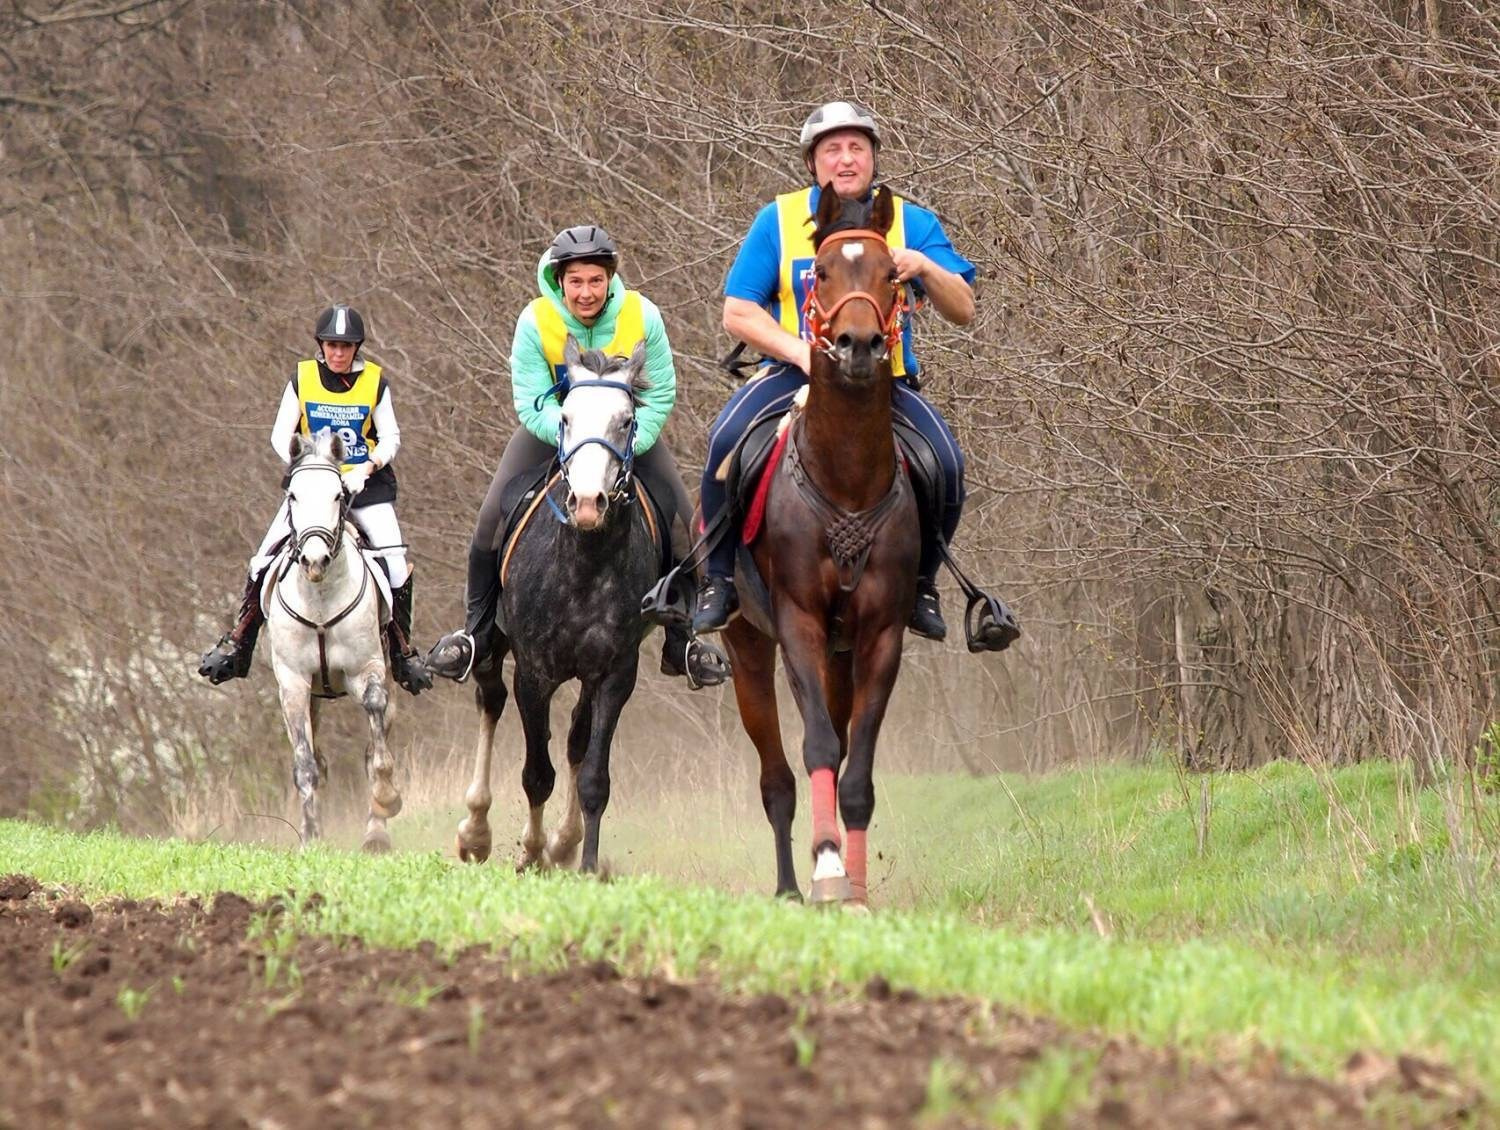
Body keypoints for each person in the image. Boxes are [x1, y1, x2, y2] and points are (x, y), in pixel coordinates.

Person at [692, 100, 980, 643]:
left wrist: (923, 266)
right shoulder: (778, 220)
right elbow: (738, 310)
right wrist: (800, 353)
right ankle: (719, 581)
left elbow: (963, 307)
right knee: (726, 440)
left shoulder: (910, 221)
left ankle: (922, 586)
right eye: (832, 150)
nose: (846, 160)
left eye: (856, 148)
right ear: (812, 162)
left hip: (883, 382)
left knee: (946, 461)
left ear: (873, 157)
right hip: (794, 375)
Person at [426, 225, 724, 686]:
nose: (586, 292)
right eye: (576, 281)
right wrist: (575, 440)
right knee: (490, 519)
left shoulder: (643, 315)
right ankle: (476, 635)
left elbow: (661, 393)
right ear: (559, 281)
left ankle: (682, 642)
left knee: (686, 524)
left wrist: (623, 443)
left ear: (610, 279)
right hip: (555, 433)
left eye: (596, 280)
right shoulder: (535, 320)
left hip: (624, 437)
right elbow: (530, 401)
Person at [198, 305, 432, 694]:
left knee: (393, 563)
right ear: (321, 345)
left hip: (364, 487)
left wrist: (366, 468)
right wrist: (305, 466)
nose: (338, 353)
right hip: (313, 489)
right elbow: (280, 434)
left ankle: (402, 652)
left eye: (346, 346)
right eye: (331, 345)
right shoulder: (302, 378)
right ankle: (239, 642)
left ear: (356, 348)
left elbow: (391, 437)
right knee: (262, 560)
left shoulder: (375, 382)